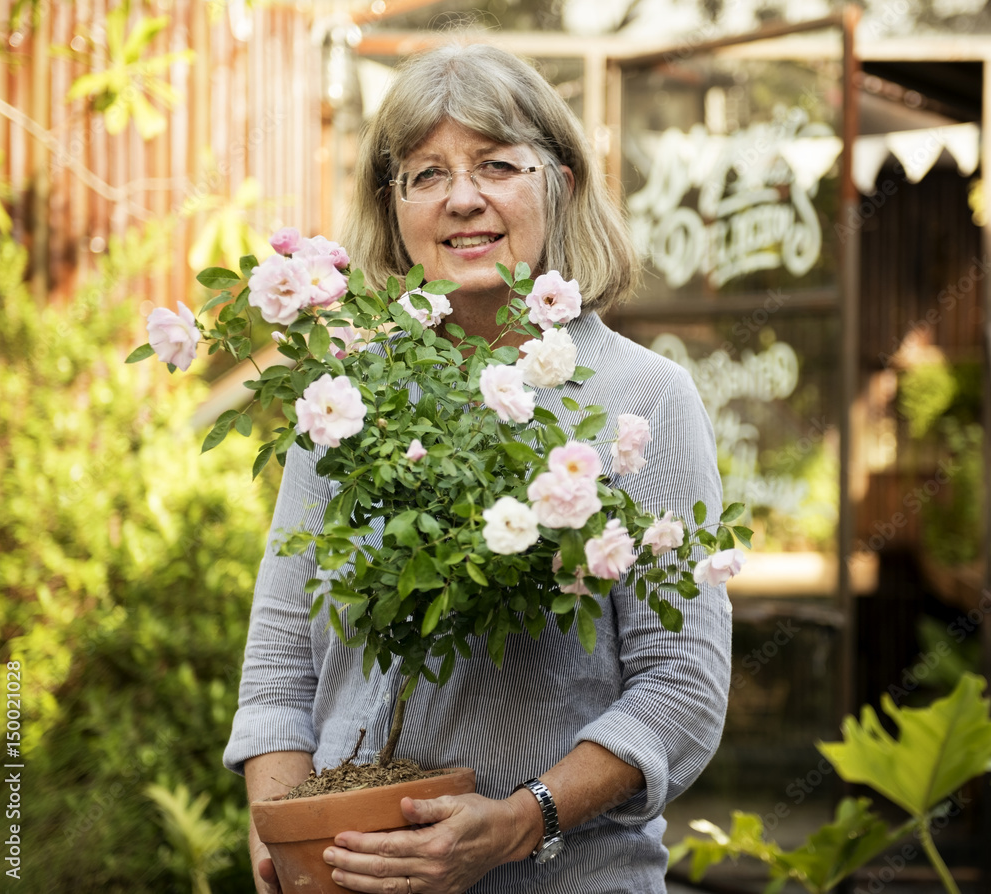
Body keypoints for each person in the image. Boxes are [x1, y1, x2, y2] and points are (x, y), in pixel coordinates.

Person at [225, 42, 732, 894]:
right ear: (393, 210)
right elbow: (280, 662)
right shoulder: (346, 401)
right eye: (425, 175)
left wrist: (519, 821)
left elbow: (679, 687)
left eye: (497, 165)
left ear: (560, 184)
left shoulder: (644, 397)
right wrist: (282, 834)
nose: (463, 199)